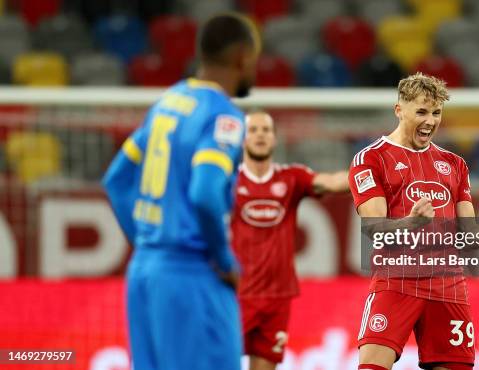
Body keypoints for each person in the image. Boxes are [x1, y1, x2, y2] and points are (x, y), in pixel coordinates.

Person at [102, 13, 260, 370]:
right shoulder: (225, 117)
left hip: (144, 275)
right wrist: (222, 259)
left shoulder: (167, 103)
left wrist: (150, 240)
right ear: (241, 57)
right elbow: (205, 193)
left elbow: (116, 179)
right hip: (191, 278)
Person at [348, 72, 479, 370]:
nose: (430, 120)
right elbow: (373, 226)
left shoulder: (455, 164)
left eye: (436, 112)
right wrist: (410, 223)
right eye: (422, 112)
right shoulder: (370, 159)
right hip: (396, 281)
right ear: (399, 110)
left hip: (449, 286)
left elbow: (468, 236)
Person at [231, 111, 350, 370]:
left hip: (277, 297)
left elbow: (331, 182)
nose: (260, 135)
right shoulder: (228, 181)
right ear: (242, 139)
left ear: (275, 139)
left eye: (266, 130)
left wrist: (372, 173)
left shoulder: (292, 178)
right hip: (236, 295)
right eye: (253, 130)